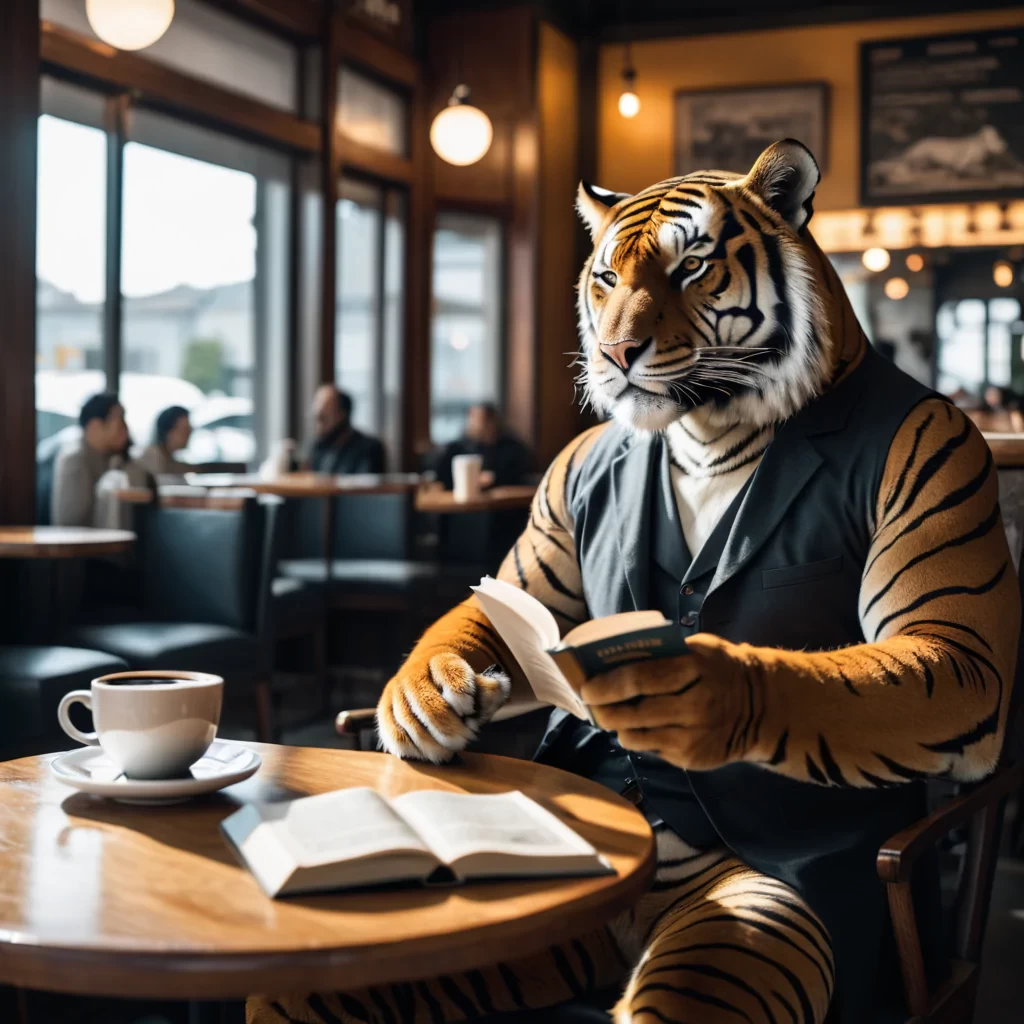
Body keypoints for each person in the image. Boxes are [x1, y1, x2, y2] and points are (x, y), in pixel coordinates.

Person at [253, 143, 1019, 1024]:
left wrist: (752, 703)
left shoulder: (916, 442)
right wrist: (441, 667)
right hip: (572, 838)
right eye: (611, 284)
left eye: (693, 273)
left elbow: (966, 700)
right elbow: (505, 615)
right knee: (304, 982)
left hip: (772, 875)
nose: (627, 329)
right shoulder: (588, 465)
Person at [51, 393, 149, 527]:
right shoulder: (74, 459)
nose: (126, 428)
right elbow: (70, 523)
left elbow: (142, 485)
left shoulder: (114, 457)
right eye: (120, 420)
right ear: (95, 426)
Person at [435, 402, 532, 490]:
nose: (475, 425)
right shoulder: (457, 447)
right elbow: (442, 476)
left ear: (493, 421)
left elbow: (519, 475)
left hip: (502, 503)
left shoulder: (512, 448)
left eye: (480, 420)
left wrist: (494, 478)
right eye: (472, 419)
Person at [305, 385, 385, 474]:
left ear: (342, 415)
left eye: (323, 417)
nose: (318, 424)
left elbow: (366, 485)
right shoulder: (318, 447)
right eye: (316, 417)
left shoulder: (369, 448)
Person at [138, 405, 193, 479]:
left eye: (189, 429)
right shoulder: (152, 458)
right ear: (168, 432)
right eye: (184, 430)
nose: (189, 434)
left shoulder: (168, 458)